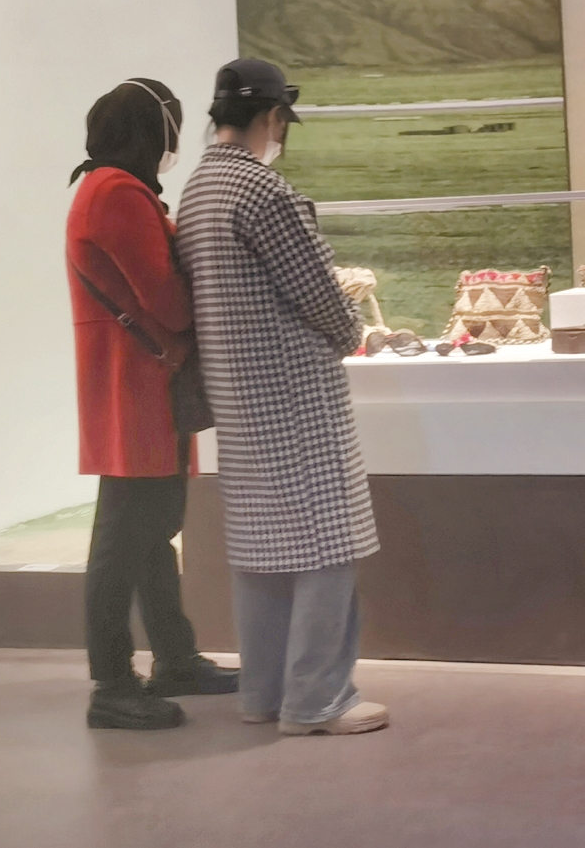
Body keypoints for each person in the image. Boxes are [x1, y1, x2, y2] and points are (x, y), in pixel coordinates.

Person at [174, 58, 387, 736]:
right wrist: (352, 331)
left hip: (235, 393)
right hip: (295, 391)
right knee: (327, 543)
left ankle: (263, 693)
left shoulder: (198, 190)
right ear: (272, 118)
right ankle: (318, 699)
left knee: (261, 550)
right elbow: (321, 293)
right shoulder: (265, 192)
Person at [66, 78, 240, 730]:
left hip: (137, 380)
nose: (176, 142)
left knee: (147, 533)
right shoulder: (119, 192)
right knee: (124, 540)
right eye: (173, 127)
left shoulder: (105, 187)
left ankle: (174, 657)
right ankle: (112, 682)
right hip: (139, 383)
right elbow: (168, 301)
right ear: (152, 130)